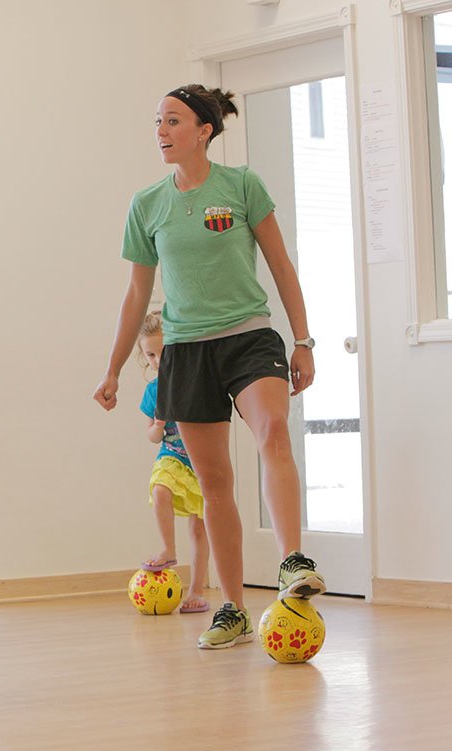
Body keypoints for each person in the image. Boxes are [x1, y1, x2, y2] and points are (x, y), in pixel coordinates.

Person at [93, 84, 326, 650]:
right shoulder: (147, 204)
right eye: (157, 122)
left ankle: (292, 561)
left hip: (249, 337)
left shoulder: (242, 185)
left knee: (273, 431)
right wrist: (115, 368)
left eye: (173, 121)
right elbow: (135, 296)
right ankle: (233, 610)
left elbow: (281, 265)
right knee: (215, 483)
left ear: (204, 131)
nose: (162, 131)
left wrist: (303, 341)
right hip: (187, 350)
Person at [136, 310, 209, 614]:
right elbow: (153, 435)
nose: (156, 361)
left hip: (200, 460)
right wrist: (159, 423)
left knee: (200, 527)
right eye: (150, 355)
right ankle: (168, 548)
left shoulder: (195, 380)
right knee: (160, 489)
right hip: (171, 456)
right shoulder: (153, 391)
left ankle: (196, 590)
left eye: (162, 353)